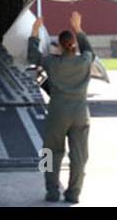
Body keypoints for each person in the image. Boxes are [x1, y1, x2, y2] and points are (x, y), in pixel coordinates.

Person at [28, 10, 95, 203]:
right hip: (80, 114)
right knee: (80, 155)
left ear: (59, 46)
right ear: (74, 45)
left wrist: (34, 31)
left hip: (58, 113)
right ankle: (73, 193)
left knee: (50, 152)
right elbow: (90, 50)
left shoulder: (52, 62)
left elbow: (33, 56)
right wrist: (78, 28)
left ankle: (51, 191)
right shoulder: (84, 61)